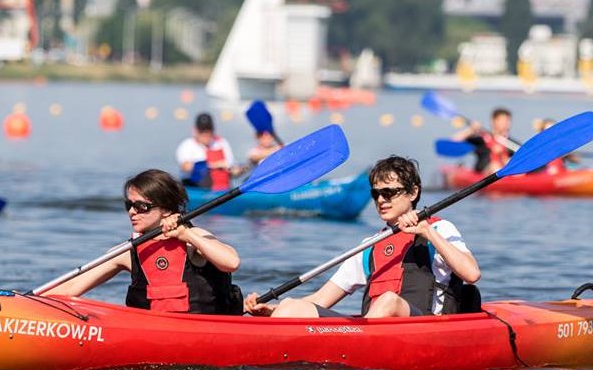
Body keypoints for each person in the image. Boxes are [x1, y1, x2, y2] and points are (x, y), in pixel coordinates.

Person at [244, 156, 480, 319]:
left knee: (388, 300)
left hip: (424, 326)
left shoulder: (440, 229)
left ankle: (360, 346)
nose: (380, 200)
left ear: (413, 192)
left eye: (389, 192)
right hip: (374, 328)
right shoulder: (369, 246)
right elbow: (322, 298)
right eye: (376, 194)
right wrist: (273, 310)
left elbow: (472, 273)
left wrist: (426, 231)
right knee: (292, 306)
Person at [45, 169, 243, 315]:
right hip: (151, 334)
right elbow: (72, 286)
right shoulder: (127, 251)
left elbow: (231, 262)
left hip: (205, 333)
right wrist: (27, 301)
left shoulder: (193, 238)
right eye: (129, 205)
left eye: (141, 206)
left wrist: (187, 235)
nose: (132, 212)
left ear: (165, 209)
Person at [175, 113, 243, 191]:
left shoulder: (222, 143)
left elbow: (232, 168)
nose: (206, 133)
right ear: (195, 131)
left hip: (220, 191)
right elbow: (186, 166)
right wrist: (216, 165)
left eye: (208, 130)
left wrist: (238, 170)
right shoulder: (187, 145)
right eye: (202, 130)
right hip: (195, 189)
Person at [451, 107, 517, 174]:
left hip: (504, 171)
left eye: (508, 120)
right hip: (485, 172)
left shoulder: (511, 143)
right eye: (503, 120)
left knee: (510, 162)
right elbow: (454, 142)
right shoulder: (481, 139)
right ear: (493, 121)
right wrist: (471, 130)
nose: (506, 123)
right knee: (494, 166)